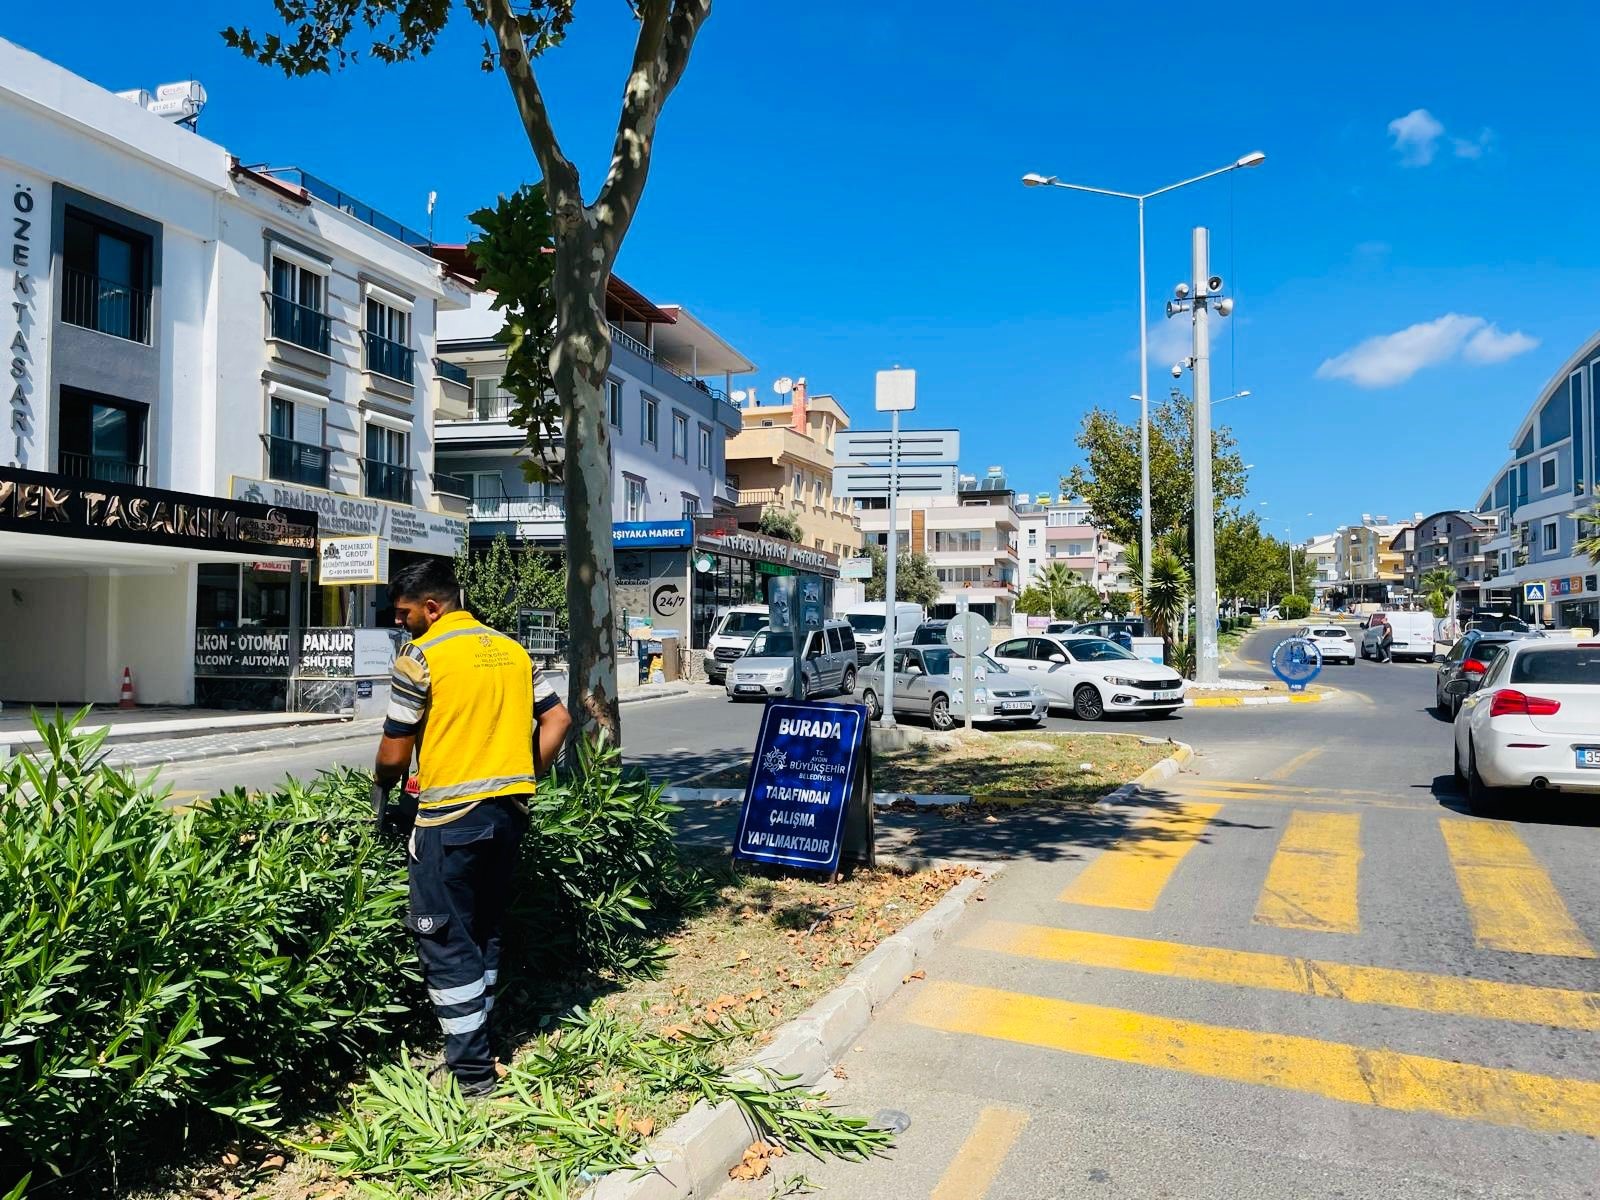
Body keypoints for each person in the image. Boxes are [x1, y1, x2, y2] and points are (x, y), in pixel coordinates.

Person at [373, 559, 572, 1097]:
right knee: (483, 931)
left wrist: (383, 785)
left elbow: (394, 750)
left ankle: (473, 1077)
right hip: (509, 815)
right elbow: (558, 720)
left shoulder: (421, 656)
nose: (402, 624)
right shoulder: (512, 649)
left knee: (442, 938)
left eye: (406, 613)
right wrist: (525, 774)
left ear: (433, 608)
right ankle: (479, 1045)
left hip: (448, 821)